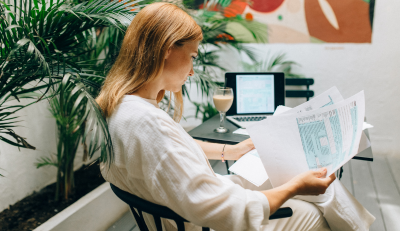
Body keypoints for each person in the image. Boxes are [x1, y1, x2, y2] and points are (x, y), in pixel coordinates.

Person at [96, 2, 375, 231]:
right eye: (192, 56)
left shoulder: (123, 109)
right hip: (206, 220)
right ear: (168, 48)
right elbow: (223, 208)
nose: (193, 70)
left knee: (307, 175)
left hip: (191, 201)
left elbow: (171, 149)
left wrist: (233, 150)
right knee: (313, 210)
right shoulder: (147, 122)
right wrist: (295, 188)